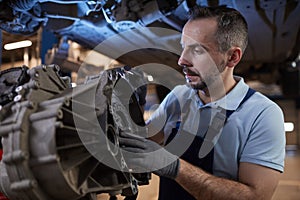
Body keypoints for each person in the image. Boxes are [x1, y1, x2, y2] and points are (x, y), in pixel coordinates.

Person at [118, 5, 286, 200]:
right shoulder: (179, 96)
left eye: (197, 50)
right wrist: (128, 111)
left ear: (232, 57)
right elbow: (141, 145)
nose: (181, 60)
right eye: (183, 48)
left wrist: (176, 168)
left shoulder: (262, 114)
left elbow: (254, 196)